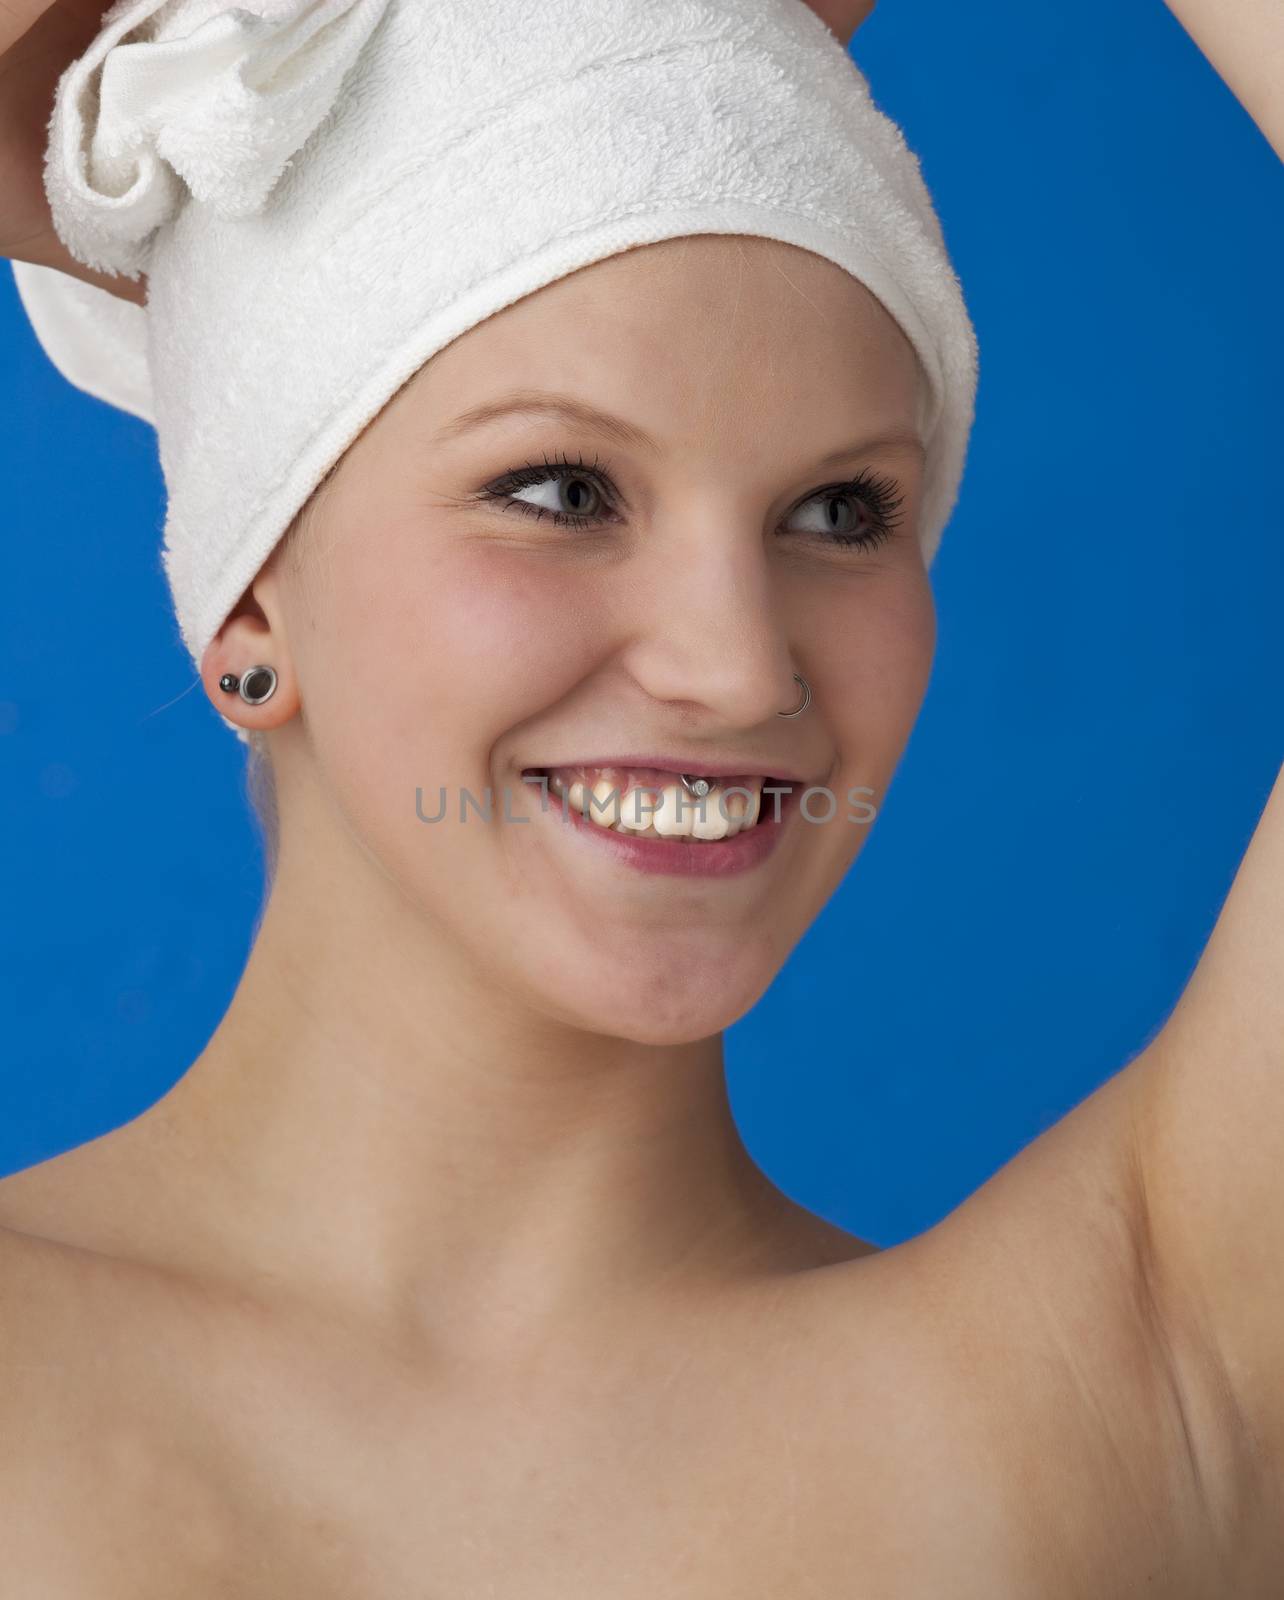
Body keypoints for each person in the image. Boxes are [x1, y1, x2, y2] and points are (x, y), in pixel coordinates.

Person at [0, 0, 1280, 1592]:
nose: (739, 666)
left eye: (841, 510)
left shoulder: (1153, 1386)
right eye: (562, 492)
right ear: (250, 602)